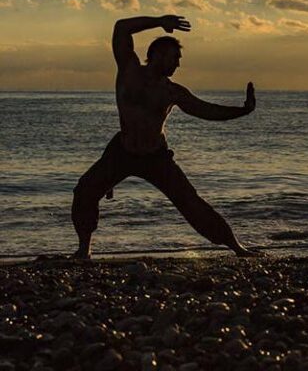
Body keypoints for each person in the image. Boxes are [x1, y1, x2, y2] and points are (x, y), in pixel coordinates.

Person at [71, 15, 258, 258]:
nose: (178, 65)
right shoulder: (129, 70)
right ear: (157, 54)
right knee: (85, 191)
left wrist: (243, 111)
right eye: (174, 58)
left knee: (191, 203)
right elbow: (121, 27)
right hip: (122, 151)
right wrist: (160, 21)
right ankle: (83, 251)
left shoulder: (172, 91)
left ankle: (237, 247)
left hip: (155, 157)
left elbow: (206, 110)